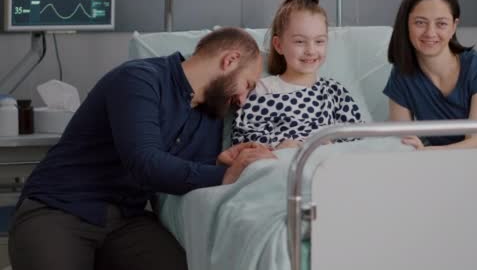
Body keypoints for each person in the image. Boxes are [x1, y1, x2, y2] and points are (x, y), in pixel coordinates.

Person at [8, 27, 276, 270]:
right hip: (59, 210)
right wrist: (225, 175)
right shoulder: (138, 79)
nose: (242, 100)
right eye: (247, 85)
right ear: (230, 61)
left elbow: (187, 177)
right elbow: (144, 163)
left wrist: (219, 166)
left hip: (126, 221)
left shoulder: (210, 114)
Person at [383, 0, 477, 149]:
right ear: (406, 24)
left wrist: (424, 152)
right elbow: (403, 143)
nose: (430, 33)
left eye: (441, 24)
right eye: (420, 22)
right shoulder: (402, 76)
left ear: (454, 26)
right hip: (452, 166)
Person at [231, 0, 364, 150]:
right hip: (282, 163)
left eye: (319, 41)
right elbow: (244, 137)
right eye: (300, 41)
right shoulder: (264, 89)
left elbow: (356, 136)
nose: (310, 50)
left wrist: (332, 146)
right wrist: (278, 146)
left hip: (329, 163)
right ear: (279, 45)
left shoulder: (334, 92)